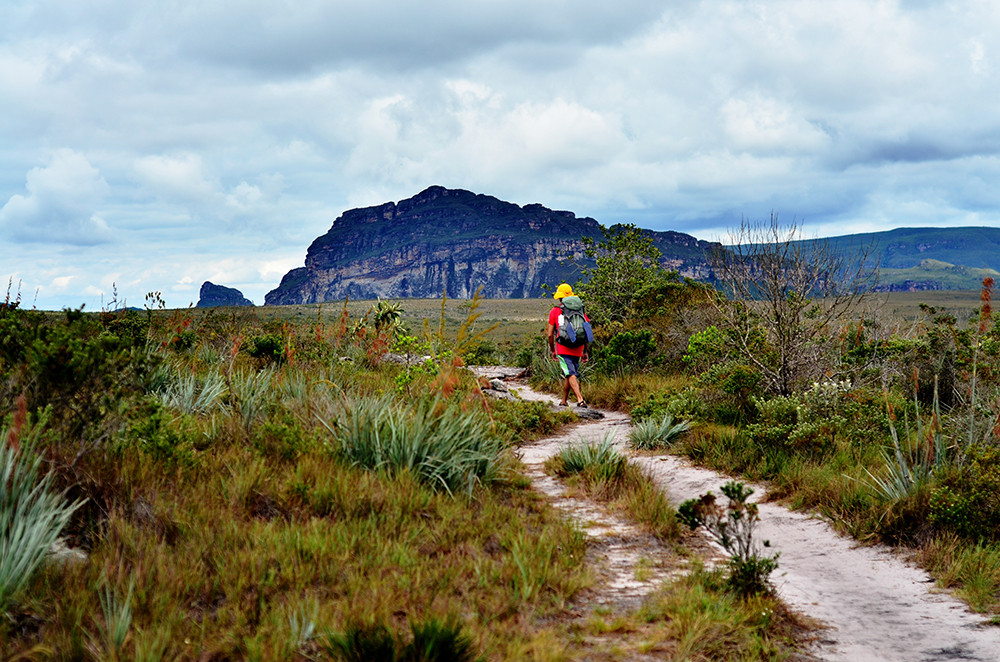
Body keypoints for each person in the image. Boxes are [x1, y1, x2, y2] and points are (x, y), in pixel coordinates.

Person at [546, 283, 589, 408]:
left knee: (570, 373)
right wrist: (585, 351)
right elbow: (585, 330)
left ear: (559, 297)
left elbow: (550, 335)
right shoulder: (580, 311)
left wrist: (553, 350)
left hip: (563, 347)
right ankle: (564, 400)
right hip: (578, 346)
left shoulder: (554, 311)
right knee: (569, 373)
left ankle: (580, 400)